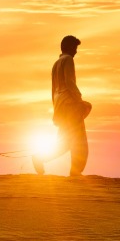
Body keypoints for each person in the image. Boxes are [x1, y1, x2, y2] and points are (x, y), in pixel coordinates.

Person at [34, 35, 91, 176]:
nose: (76, 51)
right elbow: (70, 83)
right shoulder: (68, 60)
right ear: (69, 47)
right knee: (79, 141)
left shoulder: (56, 63)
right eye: (75, 48)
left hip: (60, 106)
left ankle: (40, 158)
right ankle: (76, 171)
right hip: (70, 105)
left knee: (65, 142)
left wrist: (56, 110)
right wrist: (79, 101)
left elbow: (53, 90)